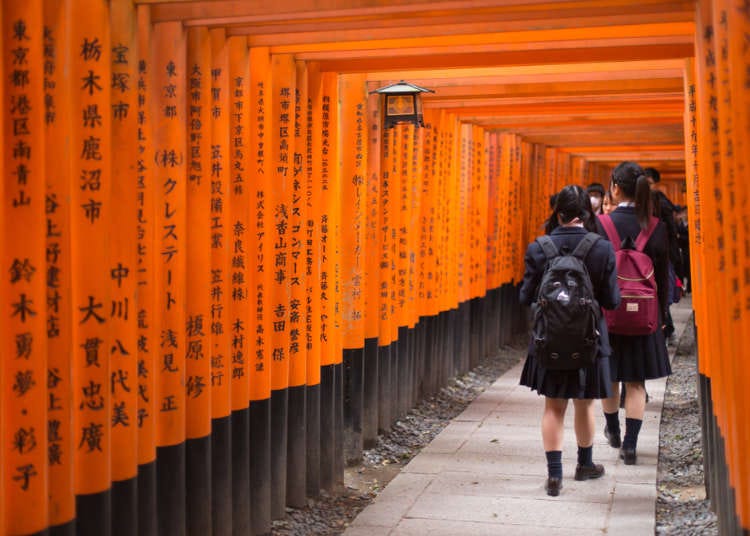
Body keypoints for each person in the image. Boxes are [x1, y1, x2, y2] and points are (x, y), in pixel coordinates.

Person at [519, 185, 620, 497]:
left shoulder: (540, 247)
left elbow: (526, 296)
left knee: (553, 406)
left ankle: (554, 476)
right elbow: (612, 300)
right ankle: (585, 465)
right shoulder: (601, 249)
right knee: (585, 403)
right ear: (586, 214)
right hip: (590, 339)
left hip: (549, 338)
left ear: (557, 212)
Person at [598, 162, 672, 465]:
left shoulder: (601, 225)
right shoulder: (656, 226)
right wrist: (662, 315)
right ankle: (630, 445)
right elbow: (664, 277)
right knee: (637, 382)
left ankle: (613, 430)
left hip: (610, 313)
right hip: (645, 316)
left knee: (610, 376)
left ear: (615, 187)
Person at [643, 167, 680, 341]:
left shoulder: (661, 202)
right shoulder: (640, 201)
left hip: (659, 254)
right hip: (647, 255)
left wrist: (672, 257)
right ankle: (664, 324)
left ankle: (664, 323)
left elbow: (671, 232)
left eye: (649, 183)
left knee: (660, 290)